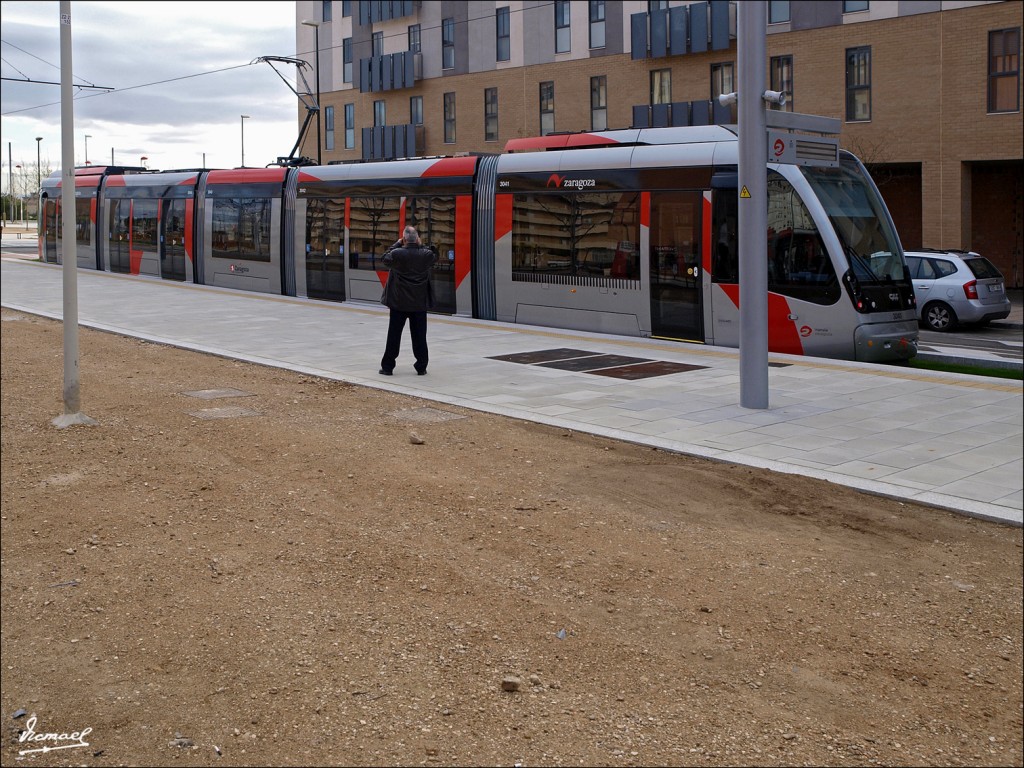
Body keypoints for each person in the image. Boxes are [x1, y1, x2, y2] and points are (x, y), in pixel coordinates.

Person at [378, 225, 437, 376]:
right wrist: (420, 244)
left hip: (398, 303)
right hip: (419, 304)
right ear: (417, 239)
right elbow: (433, 256)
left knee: (394, 335)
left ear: (404, 239)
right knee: (419, 337)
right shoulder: (426, 254)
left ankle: (387, 367)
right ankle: (421, 367)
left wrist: (397, 243)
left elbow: (384, 258)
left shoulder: (397, 253)